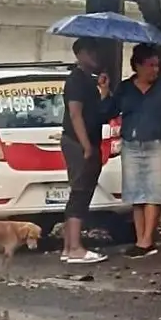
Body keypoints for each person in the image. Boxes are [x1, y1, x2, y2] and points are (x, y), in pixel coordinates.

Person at [97, 43, 161, 257]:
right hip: (131, 145)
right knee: (136, 193)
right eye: (150, 65)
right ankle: (139, 239)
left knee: (154, 192)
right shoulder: (125, 88)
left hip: (157, 143)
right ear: (137, 66)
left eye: (157, 65)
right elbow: (108, 112)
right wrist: (104, 92)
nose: (154, 70)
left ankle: (147, 241)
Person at [60, 37, 108, 264]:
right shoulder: (76, 80)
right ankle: (75, 247)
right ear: (79, 54)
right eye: (91, 52)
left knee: (80, 192)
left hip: (85, 141)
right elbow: (75, 114)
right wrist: (87, 145)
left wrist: (104, 90)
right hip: (79, 143)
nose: (95, 56)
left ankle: (69, 247)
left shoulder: (88, 81)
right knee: (80, 192)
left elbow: (98, 113)